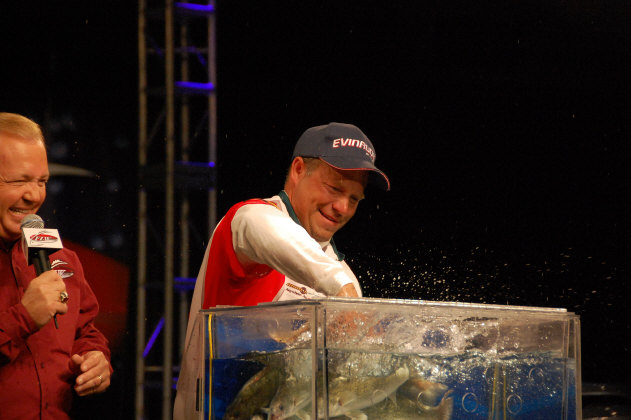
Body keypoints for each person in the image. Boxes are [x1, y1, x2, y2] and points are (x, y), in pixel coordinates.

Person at [174, 122, 390, 419]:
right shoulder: (248, 220)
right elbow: (269, 230)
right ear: (298, 170)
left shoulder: (344, 276)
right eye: (334, 188)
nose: (342, 207)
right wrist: (342, 291)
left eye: (354, 199)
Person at [0, 112, 112, 419]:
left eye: (42, 181)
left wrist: (95, 358)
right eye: (19, 181)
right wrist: (25, 317)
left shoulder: (61, 257)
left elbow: (85, 331)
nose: (34, 195)